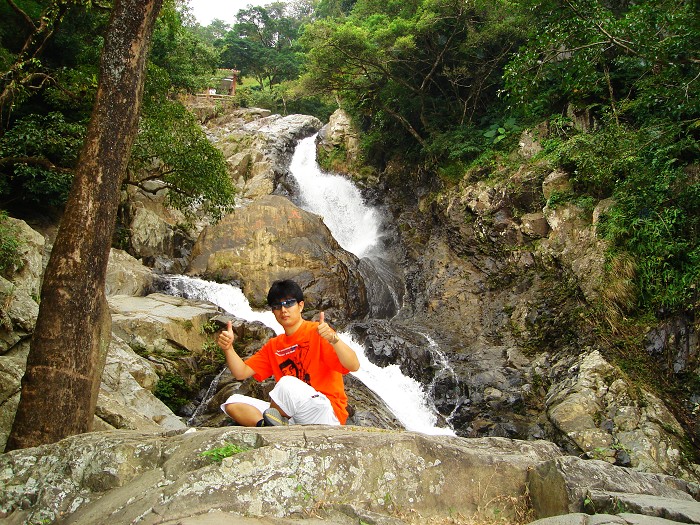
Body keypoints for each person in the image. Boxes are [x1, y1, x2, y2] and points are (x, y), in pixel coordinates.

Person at [217, 279, 360, 427]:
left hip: (324, 412)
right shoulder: (274, 346)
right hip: (293, 416)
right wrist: (228, 348)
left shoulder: (319, 332)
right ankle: (269, 426)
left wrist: (334, 340)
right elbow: (241, 373)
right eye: (277, 306)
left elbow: (354, 365)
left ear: (300, 305)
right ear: (273, 312)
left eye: (289, 303)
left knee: (287, 383)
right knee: (233, 402)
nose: (283, 310)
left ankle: (275, 423)